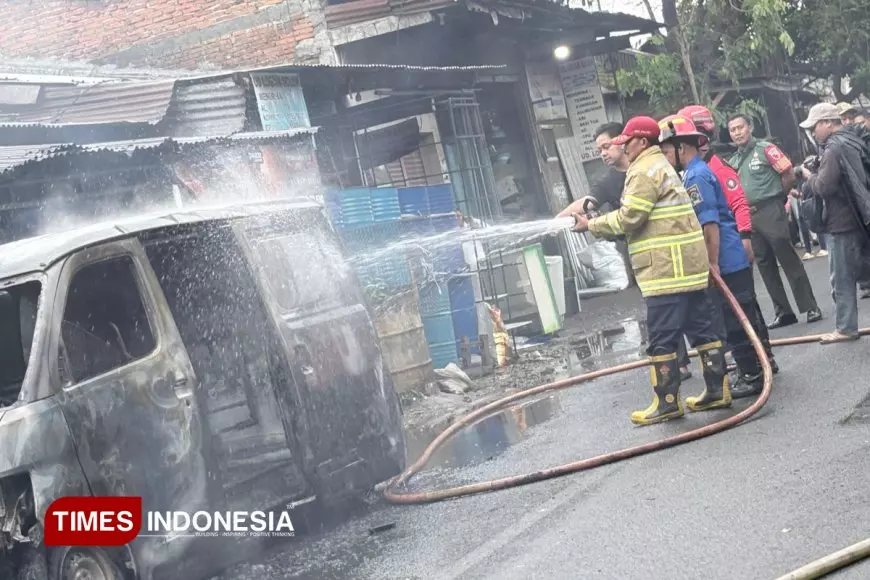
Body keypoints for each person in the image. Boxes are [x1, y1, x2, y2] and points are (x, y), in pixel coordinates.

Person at [571, 116, 730, 426]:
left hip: (665, 271)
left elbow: (630, 217)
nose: (623, 149)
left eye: (625, 143)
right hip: (688, 268)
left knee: (661, 338)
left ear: (642, 142)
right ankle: (717, 390)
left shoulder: (643, 170)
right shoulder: (662, 166)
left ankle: (667, 402)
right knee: (701, 329)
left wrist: (591, 225)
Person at [658, 114, 776, 398]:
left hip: (725, 258)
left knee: (735, 322)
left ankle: (752, 375)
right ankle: (760, 366)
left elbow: (709, 224)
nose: (665, 157)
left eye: (665, 151)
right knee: (742, 315)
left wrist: (711, 263)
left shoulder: (697, 175)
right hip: (729, 255)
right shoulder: (695, 172)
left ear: (681, 148)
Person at [727, 114, 823, 329]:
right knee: (764, 265)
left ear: (749, 127)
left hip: (770, 209)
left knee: (788, 258)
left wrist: (780, 198)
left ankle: (810, 306)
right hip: (749, 216)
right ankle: (783, 312)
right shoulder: (733, 161)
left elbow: (788, 173)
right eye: (733, 130)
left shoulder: (765, 149)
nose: (737, 132)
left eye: (740, 127)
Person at [795, 103, 870, 343]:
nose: (813, 132)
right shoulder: (853, 141)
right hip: (859, 217)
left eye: (814, 126)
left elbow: (824, 186)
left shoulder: (833, 149)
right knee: (861, 272)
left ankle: (846, 327)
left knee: (842, 278)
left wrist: (810, 176)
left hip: (842, 222)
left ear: (827, 122)